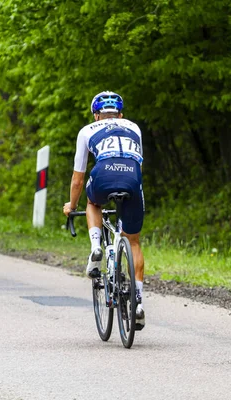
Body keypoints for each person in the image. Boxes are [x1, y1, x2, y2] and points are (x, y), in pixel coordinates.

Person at [63, 91, 146, 329]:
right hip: (132, 177)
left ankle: (96, 247)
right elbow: (137, 161)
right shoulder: (134, 127)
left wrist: (72, 206)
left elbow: (78, 180)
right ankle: (138, 303)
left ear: (96, 115)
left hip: (104, 173)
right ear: (121, 114)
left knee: (93, 202)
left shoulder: (87, 130)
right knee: (134, 242)